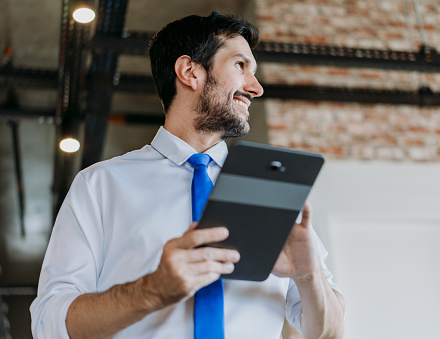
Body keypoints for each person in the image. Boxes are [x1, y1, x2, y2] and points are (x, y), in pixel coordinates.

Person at [30, 12, 345, 339]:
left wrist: (309, 276)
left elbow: (329, 332)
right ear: (190, 71)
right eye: (241, 66)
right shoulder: (98, 185)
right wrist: (151, 290)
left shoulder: (273, 190)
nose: (256, 87)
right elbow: (48, 325)